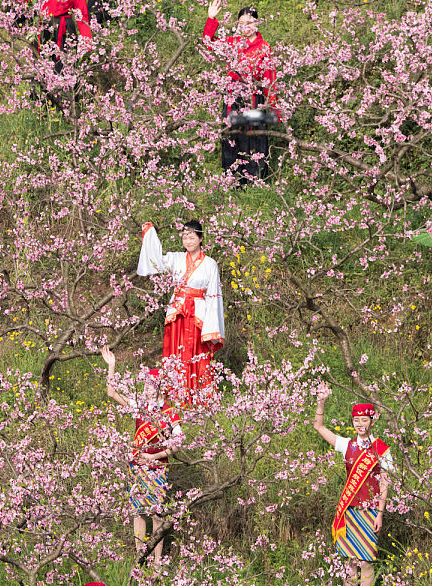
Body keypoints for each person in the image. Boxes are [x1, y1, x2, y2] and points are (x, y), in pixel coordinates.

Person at [311, 386, 393, 586]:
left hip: (369, 513)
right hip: (349, 511)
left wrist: (380, 513)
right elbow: (319, 426)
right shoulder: (347, 445)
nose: (360, 424)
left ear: (372, 421)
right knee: (348, 562)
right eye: (356, 420)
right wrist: (321, 402)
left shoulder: (382, 450)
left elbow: (384, 482)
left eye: (364, 419)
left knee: (366, 562)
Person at [99, 346, 181, 563]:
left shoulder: (169, 413)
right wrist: (112, 366)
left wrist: (153, 457)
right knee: (137, 511)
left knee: (156, 514)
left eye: (152, 385)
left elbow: (177, 445)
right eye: (145, 384)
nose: (147, 388)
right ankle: (139, 557)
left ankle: (156, 562)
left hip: (157, 467)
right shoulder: (139, 407)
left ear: (160, 388)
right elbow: (112, 393)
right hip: (136, 466)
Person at [136, 221, 225, 404]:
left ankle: (199, 397)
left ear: (201, 238)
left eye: (192, 236)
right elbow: (155, 261)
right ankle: (175, 396)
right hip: (178, 311)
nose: (188, 240)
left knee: (197, 352)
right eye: (185, 236)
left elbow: (214, 295)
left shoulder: (210, 264)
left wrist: (212, 326)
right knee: (175, 351)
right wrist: (150, 233)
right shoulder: (175, 258)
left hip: (199, 313)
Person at [202, 2, 277, 184]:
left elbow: (269, 77)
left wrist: (273, 106)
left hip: (254, 97)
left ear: (257, 24)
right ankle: (232, 180)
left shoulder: (264, 47)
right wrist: (211, 18)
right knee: (232, 135)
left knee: (255, 136)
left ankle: (255, 179)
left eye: (250, 22)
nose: (246, 27)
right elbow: (208, 43)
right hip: (233, 96)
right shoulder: (233, 43)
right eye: (242, 23)